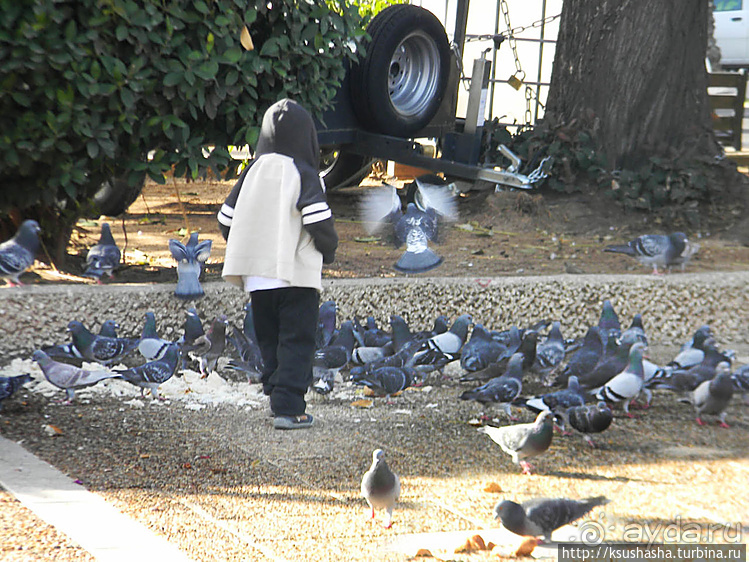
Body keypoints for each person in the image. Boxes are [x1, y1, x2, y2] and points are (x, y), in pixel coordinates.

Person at [218, 99, 337, 429]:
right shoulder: (303, 172)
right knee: (296, 341)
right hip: (296, 277)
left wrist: (252, 247)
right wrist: (329, 249)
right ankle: (289, 407)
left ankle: (274, 391)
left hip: (258, 279)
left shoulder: (251, 172)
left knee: (269, 339)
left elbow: (225, 219)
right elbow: (317, 220)